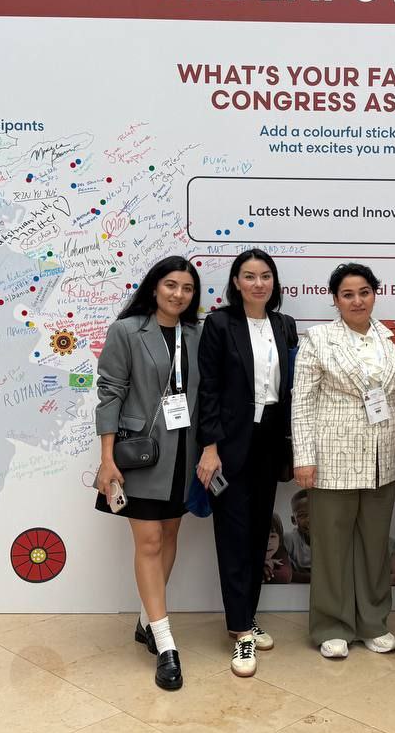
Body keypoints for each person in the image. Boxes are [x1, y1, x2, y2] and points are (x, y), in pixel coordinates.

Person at [291, 262, 395, 659]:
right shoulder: (318, 339)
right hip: (332, 459)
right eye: (348, 294)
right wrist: (304, 458)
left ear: (375, 294)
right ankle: (332, 625)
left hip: (382, 457)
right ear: (335, 299)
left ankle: (374, 622)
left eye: (364, 292)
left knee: (375, 544)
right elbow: (301, 402)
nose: (357, 301)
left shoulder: (391, 335)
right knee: (331, 546)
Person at [94, 255, 202, 692]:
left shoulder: (197, 334)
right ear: (155, 287)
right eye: (171, 285)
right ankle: (166, 643)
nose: (179, 294)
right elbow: (110, 393)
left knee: (170, 535)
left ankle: (146, 621)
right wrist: (107, 459)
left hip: (185, 453)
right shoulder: (127, 331)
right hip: (140, 454)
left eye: (187, 288)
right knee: (150, 541)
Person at [196, 249, 298, 678]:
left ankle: (248, 617)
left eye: (265, 276)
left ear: (274, 282)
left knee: (258, 533)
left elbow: (289, 388)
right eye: (249, 276)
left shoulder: (284, 324)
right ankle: (239, 631)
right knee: (233, 536)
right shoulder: (220, 324)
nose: (259, 283)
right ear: (236, 282)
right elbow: (208, 390)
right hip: (229, 443)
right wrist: (210, 447)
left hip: (270, 441)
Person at [283, 489, 312, 584]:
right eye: (302, 515)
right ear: (293, 520)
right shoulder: (289, 539)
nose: (310, 520)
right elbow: (284, 572)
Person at [263, 514, 293, 585]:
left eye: (272, 536)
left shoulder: (280, 551)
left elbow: (286, 575)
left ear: (280, 541)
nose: (268, 542)